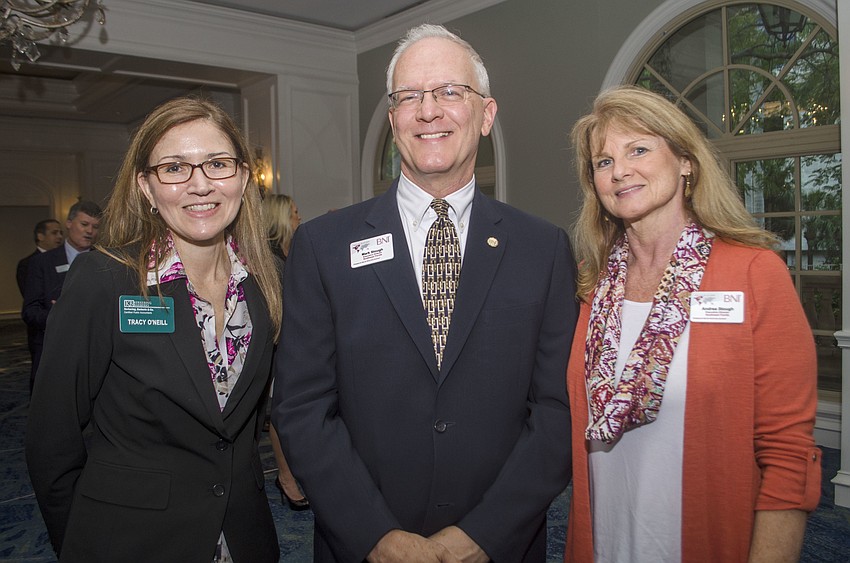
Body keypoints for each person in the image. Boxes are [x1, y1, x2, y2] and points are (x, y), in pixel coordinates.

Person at [273, 23, 577, 563]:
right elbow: (301, 407)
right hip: (361, 544)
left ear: (486, 115)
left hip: (501, 545)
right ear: (393, 120)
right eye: (409, 96)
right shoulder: (322, 246)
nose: (428, 111)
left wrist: (485, 534)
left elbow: (558, 411)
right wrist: (375, 536)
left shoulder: (543, 248)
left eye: (449, 92)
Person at [564, 86, 821, 562]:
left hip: (704, 539)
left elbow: (788, 452)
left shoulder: (752, 273)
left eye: (639, 150)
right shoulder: (591, 287)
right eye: (604, 161)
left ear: (686, 161)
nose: (619, 171)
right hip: (604, 538)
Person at [25, 96, 282, 562]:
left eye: (217, 164)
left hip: (243, 534)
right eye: (174, 168)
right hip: (130, 539)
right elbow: (51, 436)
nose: (200, 185)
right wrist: (78, 543)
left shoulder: (267, 282)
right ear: (146, 185)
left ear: (243, 177)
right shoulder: (105, 279)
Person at [22, 201, 102, 391]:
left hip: (95, 351)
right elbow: (29, 311)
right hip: (52, 349)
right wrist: (59, 315)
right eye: (84, 224)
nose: (90, 231)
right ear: (69, 223)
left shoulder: (106, 261)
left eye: (95, 226)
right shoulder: (42, 263)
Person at [262, 193, 309, 510]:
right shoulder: (269, 261)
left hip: (294, 343)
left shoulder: (292, 252)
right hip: (278, 347)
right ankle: (286, 477)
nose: (299, 217)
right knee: (281, 410)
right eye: (293, 212)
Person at [16, 218, 64, 296]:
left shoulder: (64, 259)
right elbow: (29, 294)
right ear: (40, 236)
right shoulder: (27, 264)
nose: (60, 236)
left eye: (61, 233)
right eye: (54, 233)